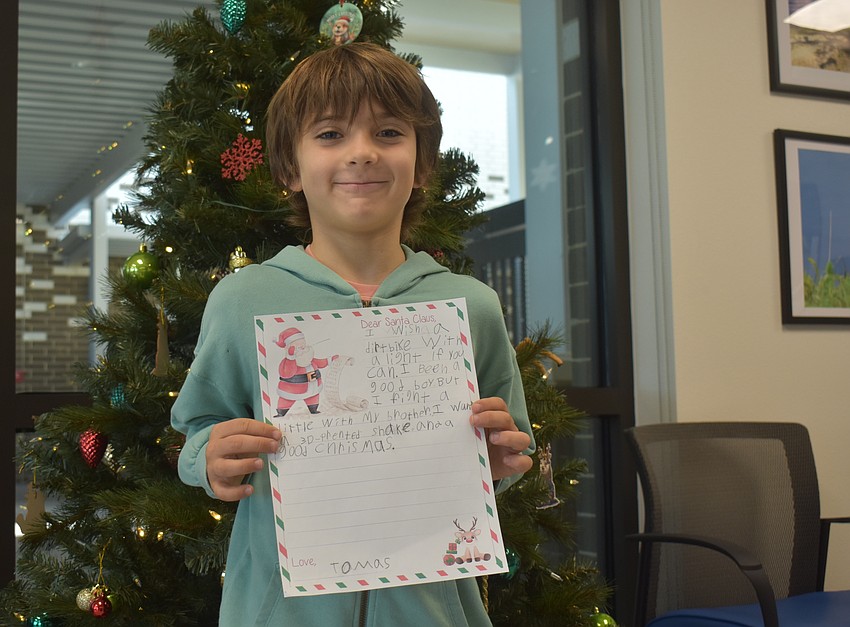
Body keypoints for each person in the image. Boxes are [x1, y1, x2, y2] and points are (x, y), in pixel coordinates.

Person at [171, 42, 534, 627]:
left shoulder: (472, 306)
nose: (362, 153)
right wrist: (209, 460)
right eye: (331, 134)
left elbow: (512, 450)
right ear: (290, 166)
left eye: (389, 132)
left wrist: (499, 461)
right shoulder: (243, 301)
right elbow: (197, 429)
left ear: (423, 164)